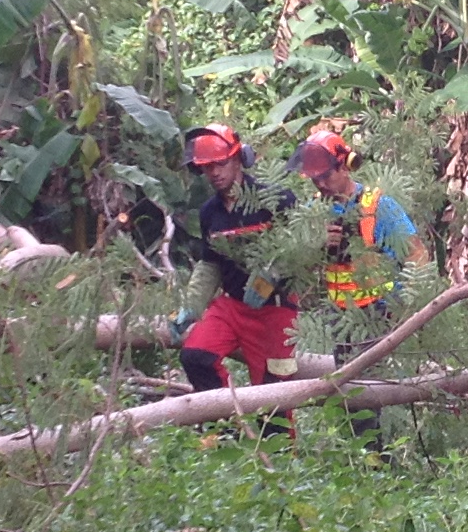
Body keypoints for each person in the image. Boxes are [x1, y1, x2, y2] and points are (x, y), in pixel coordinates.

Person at [295, 128, 428, 443]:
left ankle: (375, 456)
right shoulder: (315, 210)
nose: (320, 184)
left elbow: (417, 255)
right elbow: (302, 265)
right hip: (339, 316)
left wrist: (403, 303)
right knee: (348, 393)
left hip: (376, 313)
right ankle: (362, 454)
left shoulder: (378, 206)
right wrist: (318, 244)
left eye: (325, 176)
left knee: (365, 394)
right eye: (314, 179)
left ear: (344, 166)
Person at [174, 124, 301, 420]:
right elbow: (210, 263)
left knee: (272, 399)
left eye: (220, 164)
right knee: (196, 356)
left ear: (238, 159)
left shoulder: (276, 200)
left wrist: (269, 277)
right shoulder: (209, 212)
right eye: (207, 167)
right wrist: (192, 305)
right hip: (232, 307)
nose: (215, 173)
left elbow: (299, 246)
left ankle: (276, 447)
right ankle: (227, 428)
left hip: (276, 310)